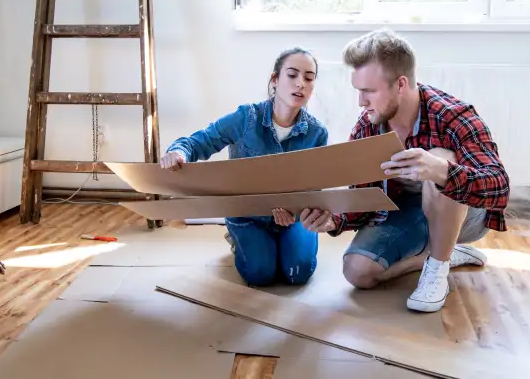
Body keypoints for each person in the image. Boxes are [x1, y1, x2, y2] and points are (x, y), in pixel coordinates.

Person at [299, 28, 510, 313]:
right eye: (358, 90)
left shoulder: (452, 116)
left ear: (400, 84)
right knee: (357, 272)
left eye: (369, 91)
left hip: (463, 214)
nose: (361, 101)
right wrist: (333, 221)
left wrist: (442, 171)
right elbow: (364, 197)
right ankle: (443, 255)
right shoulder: (369, 126)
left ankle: (437, 268)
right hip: (407, 213)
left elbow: (499, 186)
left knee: (441, 156)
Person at [160, 47, 329, 287]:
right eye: (292, 75)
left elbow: (316, 189)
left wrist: (297, 212)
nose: (300, 83)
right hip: (249, 217)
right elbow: (200, 141)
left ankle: (283, 245)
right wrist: (178, 151)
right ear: (275, 80)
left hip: (294, 218)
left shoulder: (317, 133)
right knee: (260, 274)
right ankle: (242, 239)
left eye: (309, 78)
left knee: (297, 273)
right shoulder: (246, 118)